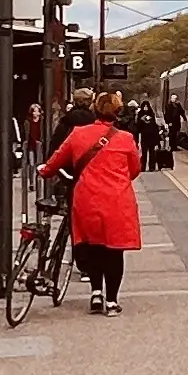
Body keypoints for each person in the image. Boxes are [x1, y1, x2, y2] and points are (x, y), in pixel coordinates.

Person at [42, 89, 146, 314]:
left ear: (94, 109)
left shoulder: (78, 134)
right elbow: (135, 169)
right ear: (117, 112)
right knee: (114, 251)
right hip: (117, 201)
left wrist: (44, 171)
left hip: (86, 198)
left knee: (94, 247)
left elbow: (55, 161)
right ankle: (111, 301)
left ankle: (96, 294)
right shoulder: (126, 138)